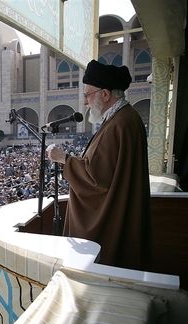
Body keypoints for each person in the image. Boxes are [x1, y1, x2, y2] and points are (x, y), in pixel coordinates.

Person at [46, 59, 151, 269]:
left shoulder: (120, 124)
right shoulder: (122, 119)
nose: (85, 102)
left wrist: (63, 159)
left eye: (87, 95)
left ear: (105, 94)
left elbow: (97, 182)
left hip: (111, 218)